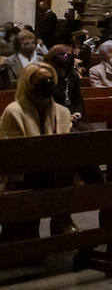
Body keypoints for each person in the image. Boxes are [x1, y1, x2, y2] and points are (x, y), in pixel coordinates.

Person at [1, 62, 78, 237]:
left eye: (51, 79)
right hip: (24, 174)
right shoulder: (14, 111)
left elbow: (66, 147)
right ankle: (61, 222)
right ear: (29, 83)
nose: (48, 83)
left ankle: (62, 221)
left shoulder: (62, 112)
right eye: (42, 80)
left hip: (53, 171)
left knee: (67, 169)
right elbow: (13, 155)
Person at [45, 45, 87, 132]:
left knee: (89, 132)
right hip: (53, 118)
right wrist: (65, 117)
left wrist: (77, 113)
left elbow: (77, 98)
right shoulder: (46, 77)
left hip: (72, 114)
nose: (62, 73)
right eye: (59, 70)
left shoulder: (73, 75)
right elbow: (46, 104)